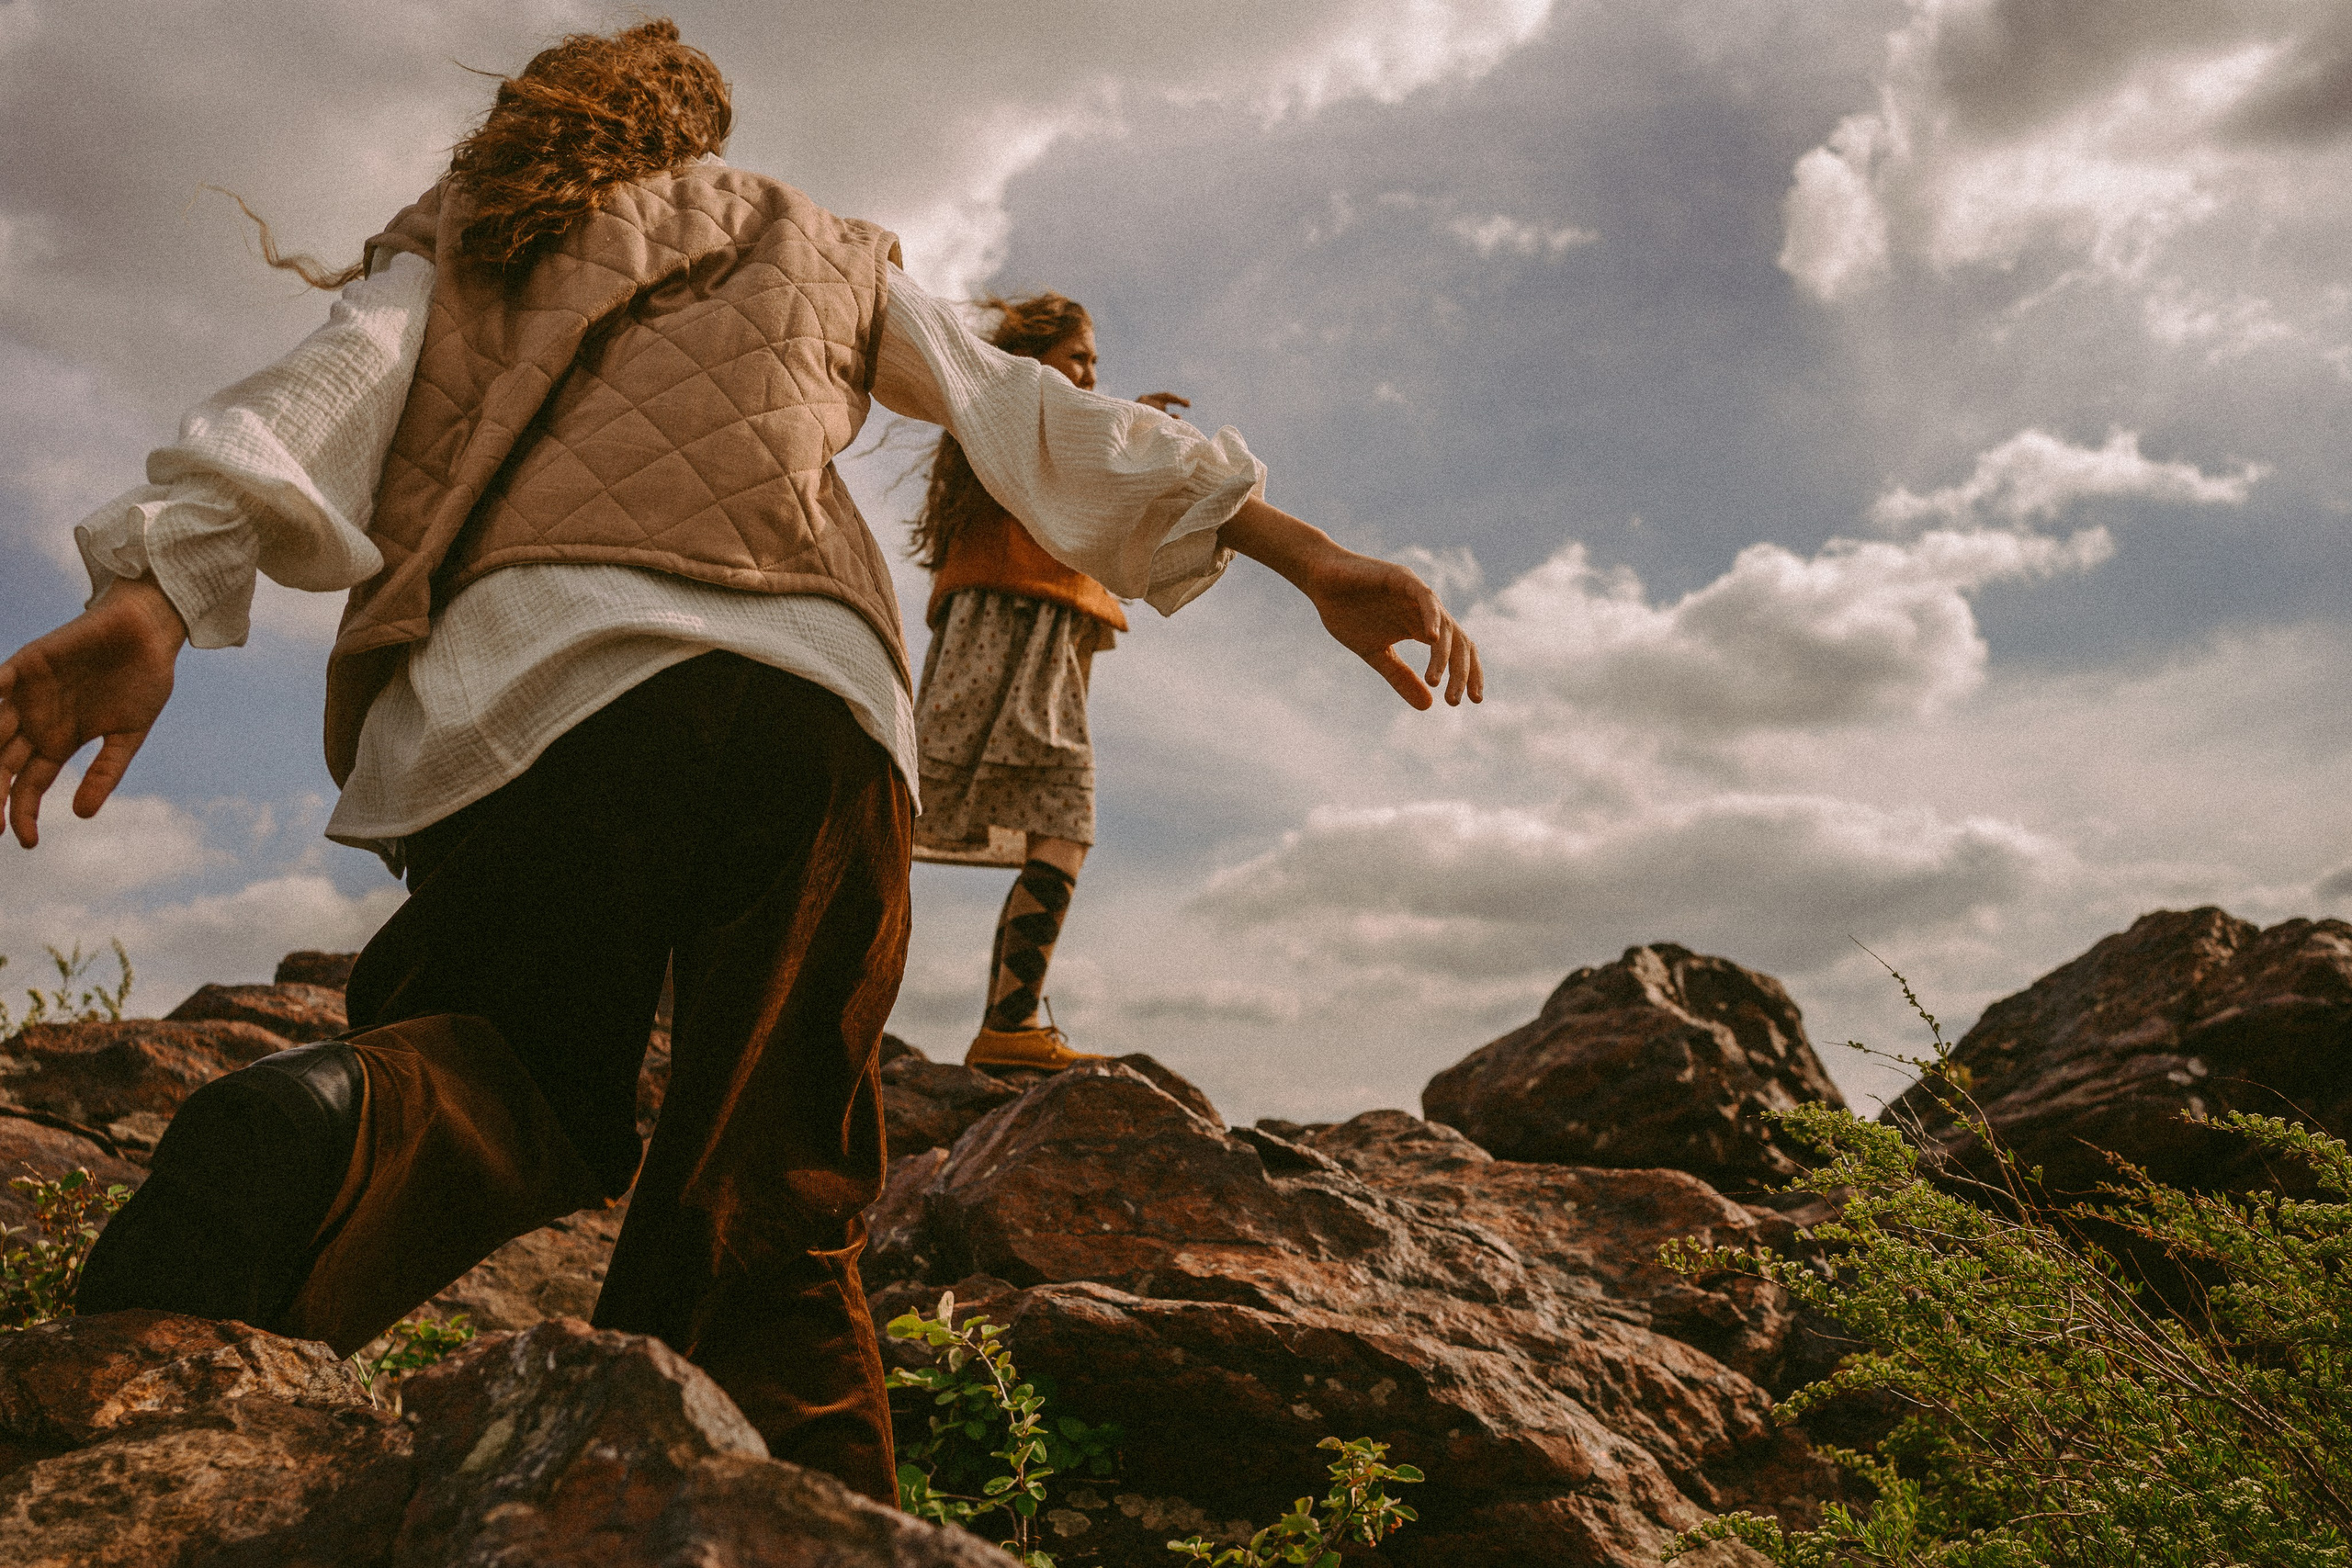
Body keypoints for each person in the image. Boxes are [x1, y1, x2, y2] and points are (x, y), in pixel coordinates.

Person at [0, 19, 1482, 1504]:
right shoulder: (817, 239)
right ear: (695, 133)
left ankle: (356, 1120)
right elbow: (1034, 414)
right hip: (814, 698)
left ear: (526, 130)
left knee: (504, 1061)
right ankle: (785, 1521)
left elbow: (323, 391)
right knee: (771, 1182)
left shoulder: (467, 240)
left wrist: (152, 594)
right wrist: (1309, 553)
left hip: (541, 690)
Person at [904, 291, 1191, 1071]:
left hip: (1038, 639)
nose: (1091, 372)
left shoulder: (1040, 425)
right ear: (1033, 359)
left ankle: (1009, 1022)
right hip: (1011, 623)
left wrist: (1126, 427)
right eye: (1079, 356)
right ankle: (1005, 1023)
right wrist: (1128, 424)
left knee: (1047, 819)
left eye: (1095, 359)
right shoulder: (1019, 408)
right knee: (1053, 817)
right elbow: (1068, 439)